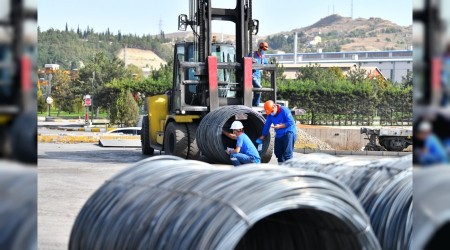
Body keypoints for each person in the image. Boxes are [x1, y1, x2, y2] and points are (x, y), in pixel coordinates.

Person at [257, 100, 297, 164]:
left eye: (272, 111)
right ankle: (281, 168)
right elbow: (267, 126)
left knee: (287, 153)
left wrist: (280, 126)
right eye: (270, 113)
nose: (271, 113)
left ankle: (289, 170)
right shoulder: (270, 115)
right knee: (278, 152)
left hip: (288, 132)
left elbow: (291, 122)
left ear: (274, 106)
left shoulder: (284, 110)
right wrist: (263, 135)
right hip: (279, 134)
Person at [249, 42, 269, 106]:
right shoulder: (253, 55)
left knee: (258, 91)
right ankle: (255, 103)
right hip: (252, 75)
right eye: (263, 50)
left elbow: (266, 64)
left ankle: (255, 103)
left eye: (265, 50)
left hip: (258, 76)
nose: (264, 51)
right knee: (259, 88)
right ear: (260, 48)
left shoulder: (263, 57)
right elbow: (246, 62)